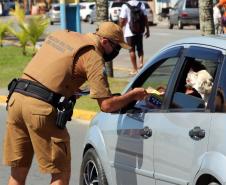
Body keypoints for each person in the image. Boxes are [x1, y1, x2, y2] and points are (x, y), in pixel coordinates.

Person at [3, 22, 148, 185]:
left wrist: (67, 89)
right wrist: (133, 95)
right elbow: (107, 105)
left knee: (18, 172)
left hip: (16, 99)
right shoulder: (93, 54)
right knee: (60, 173)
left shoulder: (63, 34)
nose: (116, 52)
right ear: (105, 42)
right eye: (117, 47)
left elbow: (53, 69)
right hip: (40, 109)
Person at [119, 0, 150, 75]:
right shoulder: (141, 4)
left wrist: (119, 29)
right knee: (140, 48)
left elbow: (122, 20)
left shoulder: (125, 6)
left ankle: (135, 69)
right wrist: (147, 29)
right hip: (140, 30)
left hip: (129, 32)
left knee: (131, 50)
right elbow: (145, 18)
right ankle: (141, 63)